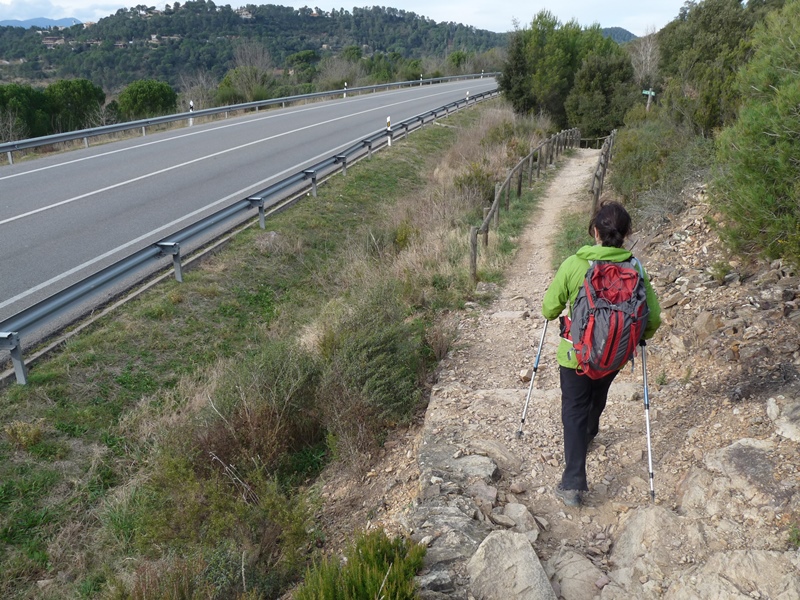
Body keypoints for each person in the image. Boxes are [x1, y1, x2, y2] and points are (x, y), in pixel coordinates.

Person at [541, 201, 661, 507]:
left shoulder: (574, 264)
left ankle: (573, 484)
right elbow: (653, 319)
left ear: (595, 231)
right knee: (598, 394)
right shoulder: (635, 268)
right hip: (615, 355)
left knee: (574, 408)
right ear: (626, 233)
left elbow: (549, 309)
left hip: (576, 357)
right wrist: (633, 339)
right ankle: (591, 431)